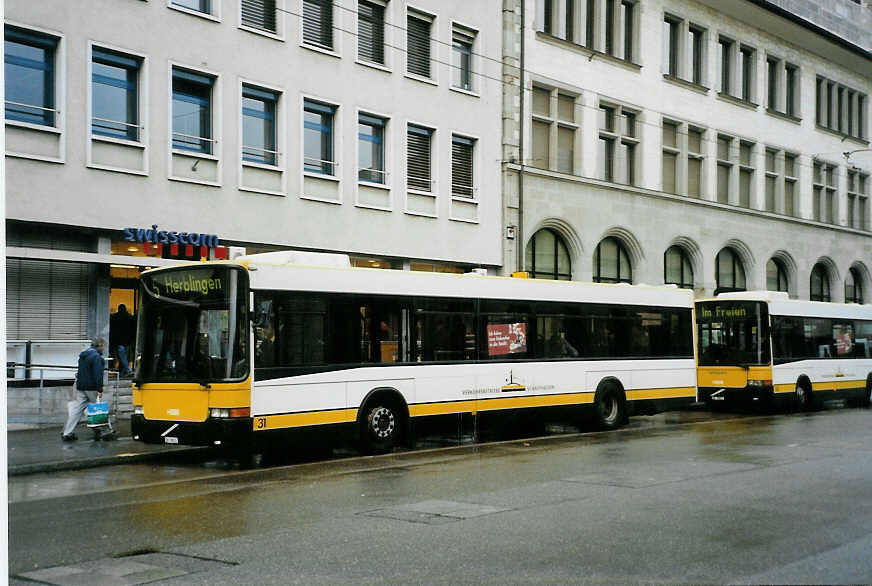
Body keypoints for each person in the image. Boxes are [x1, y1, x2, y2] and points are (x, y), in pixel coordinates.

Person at [62, 338, 114, 441]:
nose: (103, 348)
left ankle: (67, 432)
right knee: (98, 409)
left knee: (77, 410)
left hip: (81, 386)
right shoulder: (97, 358)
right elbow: (98, 374)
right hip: (91, 387)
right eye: (103, 346)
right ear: (99, 346)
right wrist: (99, 389)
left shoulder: (83, 356)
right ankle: (105, 431)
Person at [110, 304, 135, 377]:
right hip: (127, 342)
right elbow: (133, 330)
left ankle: (127, 370)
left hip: (118, 342)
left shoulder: (114, 317)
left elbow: (112, 329)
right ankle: (123, 372)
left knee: (122, 357)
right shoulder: (130, 317)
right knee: (124, 357)